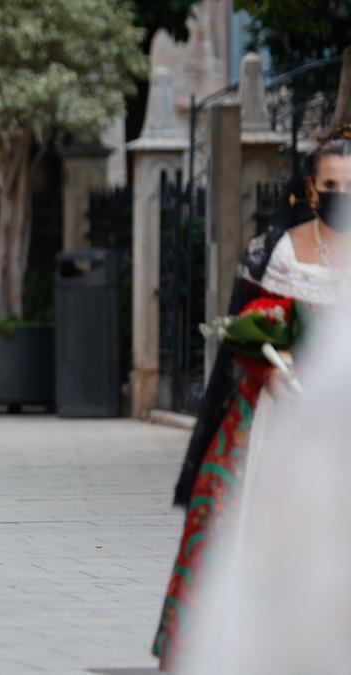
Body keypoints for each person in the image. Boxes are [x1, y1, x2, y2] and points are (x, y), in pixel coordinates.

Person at [152, 133, 351, 670]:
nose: (341, 195)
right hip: (278, 418)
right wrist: (272, 370)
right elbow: (248, 332)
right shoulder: (278, 251)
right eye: (331, 185)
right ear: (311, 188)